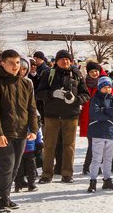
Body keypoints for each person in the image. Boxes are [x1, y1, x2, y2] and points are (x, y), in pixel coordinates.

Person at [0, 50, 38, 212]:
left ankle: (7, 197)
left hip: (22, 131)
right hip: (5, 132)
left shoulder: (26, 83)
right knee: (7, 165)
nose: (15, 66)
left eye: (17, 63)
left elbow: (31, 108)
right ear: (2, 63)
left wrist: (34, 128)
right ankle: (1, 199)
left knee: (15, 166)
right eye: (11, 63)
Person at [36, 49, 89, 184]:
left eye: (67, 59)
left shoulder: (76, 74)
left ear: (71, 61)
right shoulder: (48, 74)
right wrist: (52, 94)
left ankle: (67, 174)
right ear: (56, 61)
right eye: (62, 59)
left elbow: (86, 95)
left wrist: (76, 100)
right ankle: (47, 174)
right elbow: (39, 93)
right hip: (51, 115)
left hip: (70, 115)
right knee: (49, 145)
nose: (65, 61)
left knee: (69, 146)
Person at [86, 76, 113, 193]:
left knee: (108, 159)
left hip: (111, 133)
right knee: (96, 158)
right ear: (99, 88)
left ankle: (107, 180)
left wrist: (106, 110)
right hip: (97, 132)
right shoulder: (95, 99)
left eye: (109, 87)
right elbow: (95, 114)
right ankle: (93, 181)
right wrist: (111, 115)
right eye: (104, 87)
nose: (107, 89)